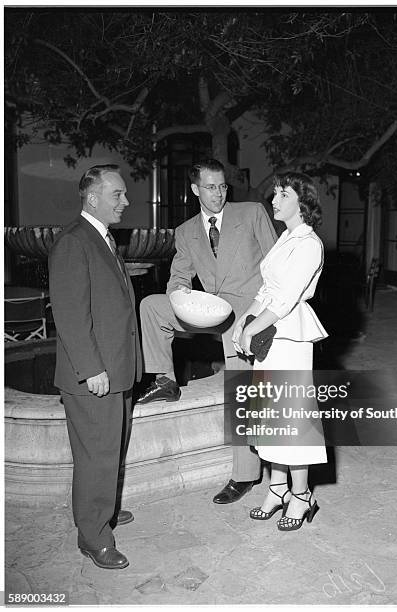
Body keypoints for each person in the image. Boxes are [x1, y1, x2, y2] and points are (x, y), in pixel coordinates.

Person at [138, 158, 277, 504]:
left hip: (246, 313)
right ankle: (164, 380)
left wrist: (261, 317)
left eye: (222, 187)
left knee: (241, 389)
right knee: (152, 306)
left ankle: (245, 476)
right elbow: (178, 277)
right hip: (209, 310)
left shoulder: (251, 213)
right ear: (195, 189)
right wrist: (180, 294)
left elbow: (277, 266)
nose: (218, 194)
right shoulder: (185, 232)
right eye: (210, 187)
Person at [48, 164, 142, 569]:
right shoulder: (74, 241)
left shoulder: (100, 239)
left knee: (109, 450)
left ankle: (100, 508)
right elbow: (69, 314)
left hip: (115, 369)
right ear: (93, 197)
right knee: (96, 455)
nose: (125, 201)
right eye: (117, 194)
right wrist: (92, 369)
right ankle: (94, 536)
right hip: (94, 375)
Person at [232, 171, 328, 531]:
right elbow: (267, 289)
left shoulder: (309, 244)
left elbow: (287, 298)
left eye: (282, 194)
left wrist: (253, 327)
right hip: (269, 334)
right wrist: (243, 321)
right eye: (275, 194)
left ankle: (302, 497)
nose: (274, 200)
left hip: (289, 336)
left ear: (302, 202)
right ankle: (276, 489)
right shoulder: (286, 238)